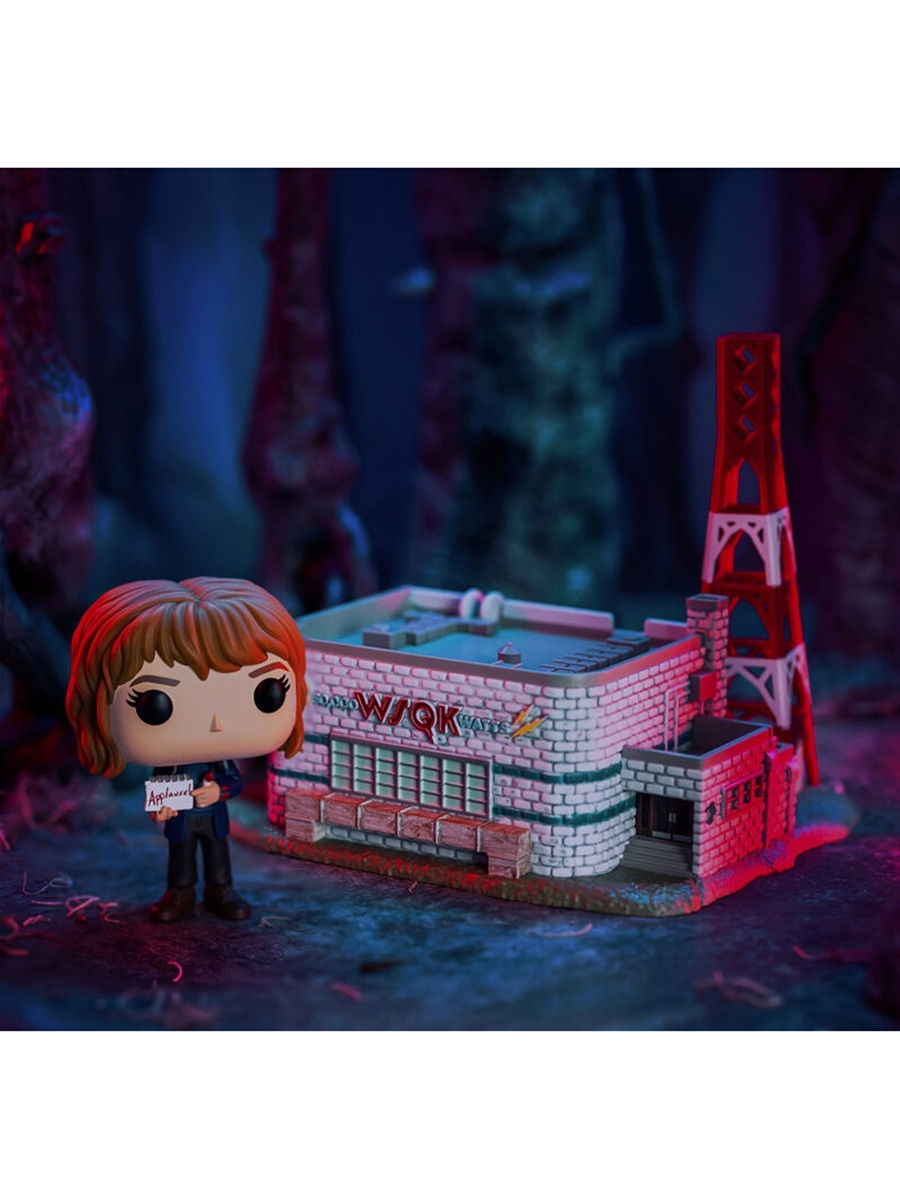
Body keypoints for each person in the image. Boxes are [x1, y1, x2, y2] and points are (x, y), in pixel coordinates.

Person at [66, 577, 307, 923]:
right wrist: (159, 807)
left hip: (214, 817)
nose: (216, 723)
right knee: (180, 857)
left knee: (218, 855)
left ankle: (221, 891)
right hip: (180, 819)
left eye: (267, 692)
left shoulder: (220, 760)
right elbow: (160, 786)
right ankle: (179, 894)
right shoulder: (171, 763)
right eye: (155, 704)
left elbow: (233, 781)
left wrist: (218, 791)